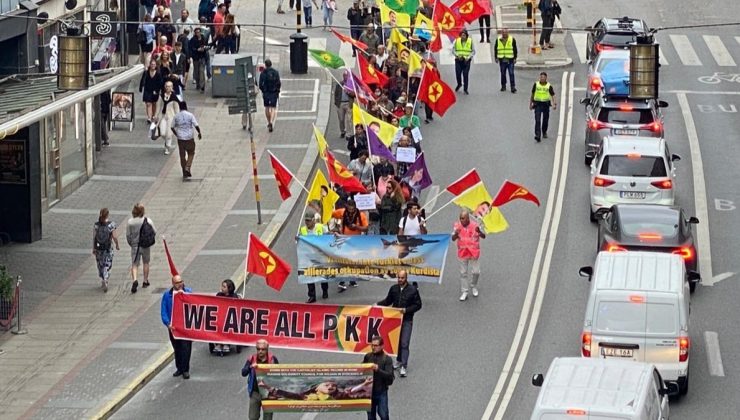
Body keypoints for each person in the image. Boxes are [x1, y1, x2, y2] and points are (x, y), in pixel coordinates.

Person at [376, 269, 421, 378]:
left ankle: (404, 366)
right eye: (399, 278)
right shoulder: (393, 289)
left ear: (406, 278)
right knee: (397, 342)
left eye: (402, 278)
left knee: (404, 342)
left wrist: (406, 310)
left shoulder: (413, 290)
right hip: (395, 320)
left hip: (407, 320)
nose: (400, 280)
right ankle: (399, 360)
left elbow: (418, 305)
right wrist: (377, 305)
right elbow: (388, 301)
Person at [331, 199, 368, 291]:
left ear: (355, 207)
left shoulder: (361, 215)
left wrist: (357, 227)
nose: (351, 211)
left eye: (353, 209)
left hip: (356, 242)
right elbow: (331, 214)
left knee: (352, 262)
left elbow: (366, 228)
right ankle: (342, 281)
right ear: (347, 207)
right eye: (349, 209)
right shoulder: (342, 212)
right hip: (344, 241)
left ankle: (352, 280)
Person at [161, 274, 193, 379]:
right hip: (174, 327)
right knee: (177, 348)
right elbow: (164, 311)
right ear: (173, 284)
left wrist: (184, 295)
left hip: (185, 327)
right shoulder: (167, 295)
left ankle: (185, 369)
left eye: (181, 282)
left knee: (186, 348)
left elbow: (194, 305)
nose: (180, 284)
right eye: (177, 283)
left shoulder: (188, 292)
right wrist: (168, 323)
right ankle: (179, 368)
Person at [452, 209, 485, 301]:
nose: (461, 220)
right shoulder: (457, 226)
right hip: (463, 252)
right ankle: (465, 291)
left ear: (468, 218)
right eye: (460, 218)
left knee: (476, 272)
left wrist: (479, 231)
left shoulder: (475, 225)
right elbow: (453, 238)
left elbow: (483, 236)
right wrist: (456, 233)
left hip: (474, 252)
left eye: (463, 218)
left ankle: (473, 285)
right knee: (463, 273)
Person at [242, 339, 278, 420]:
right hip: (255, 393)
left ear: (267, 349)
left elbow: (279, 375)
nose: (260, 351)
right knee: (252, 417)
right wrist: (250, 366)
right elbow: (243, 373)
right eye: (258, 349)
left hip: (268, 394)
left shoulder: (272, 359)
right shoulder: (252, 358)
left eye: (263, 349)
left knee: (268, 418)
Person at [298, 209, 328, 303]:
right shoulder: (303, 230)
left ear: (313, 220)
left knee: (323, 275)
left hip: (320, 256)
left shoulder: (320, 227)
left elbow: (328, 237)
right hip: (308, 257)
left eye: (309, 220)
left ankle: (325, 290)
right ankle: (312, 296)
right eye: (306, 220)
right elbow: (300, 242)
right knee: (309, 276)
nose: (307, 223)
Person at [126, 203, 157, 293]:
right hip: (145, 245)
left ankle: (135, 280)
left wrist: (131, 243)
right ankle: (145, 281)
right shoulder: (147, 220)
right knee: (146, 263)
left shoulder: (130, 222)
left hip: (135, 246)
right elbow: (154, 231)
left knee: (135, 264)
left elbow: (128, 235)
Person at [363, 336, 394, 420]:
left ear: (382, 346)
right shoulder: (368, 357)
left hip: (381, 392)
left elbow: (390, 375)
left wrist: (378, 370)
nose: (373, 347)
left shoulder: (387, 359)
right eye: (372, 345)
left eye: (376, 345)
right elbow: (362, 370)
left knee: (384, 415)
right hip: (369, 393)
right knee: (371, 417)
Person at [170, 102, 202, 178]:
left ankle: (184, 172)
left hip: (180, 138)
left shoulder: (176, 116)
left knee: (182, 156)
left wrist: (176, 134)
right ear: (186, 107)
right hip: (189, 137)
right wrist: (199, 132)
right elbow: (196, 125)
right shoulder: (190, 115)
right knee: (191, 153)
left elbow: (172, 127)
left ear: (180, 108)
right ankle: (188, 166)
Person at [93, 208, 120, 292]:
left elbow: (94, 237)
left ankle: (102, 278)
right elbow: (115, 237)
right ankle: (106, 278)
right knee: (107, 263)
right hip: (108, 248)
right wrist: (117, 244)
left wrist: (93, 248)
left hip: (99, 248)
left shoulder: (96, 225)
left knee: (100, 263)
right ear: (107, 215)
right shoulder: (111, 225)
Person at [213, 279, 239, 356]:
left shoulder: (234, 297)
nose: (222, 288)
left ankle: (226, 343)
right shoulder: (219, 295)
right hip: (220, 316)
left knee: (228, 325)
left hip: (230, 318)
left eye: (224, 287)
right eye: (222, 286)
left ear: (229, 288)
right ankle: (219, 343)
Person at [529, 71, 557, 142]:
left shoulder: (549, 86)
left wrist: (554, 104)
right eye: (541, 77)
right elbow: (532, 94)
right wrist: (530, 104)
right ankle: (538, 135)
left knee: (545, 119)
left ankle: (544, 131)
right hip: (537, 104)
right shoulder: (536, 84)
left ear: (546, 78)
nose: (542, 79)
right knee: (537, 120)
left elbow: (553, 95)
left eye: (544, 78)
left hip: (545, 104)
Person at [158, 80, 181, 154]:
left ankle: (167, 147)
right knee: (162, 133)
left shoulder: (174, 97)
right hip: (163, 116)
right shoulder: (161, 96)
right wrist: (155, 116)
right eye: (167, 86)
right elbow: (158, 107)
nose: (168, 88)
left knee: (169, 133)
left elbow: (177, 109)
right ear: (165, 87)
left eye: (170, 86)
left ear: (172, 87)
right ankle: (166, 141)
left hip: (171, 117)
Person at [259, 59, 281, 133]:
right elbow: (278, 83)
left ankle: (268, 122)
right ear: (271, 64)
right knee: (273, 108)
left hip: (266, 92)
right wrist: (277, 90)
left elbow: (260, 84)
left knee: (267, 107)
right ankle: (271, 121)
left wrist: (263, 91)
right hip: (274, 92)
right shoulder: (275, 72)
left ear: (265, 65)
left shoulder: (263, 73)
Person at [139, 60, 163, 125]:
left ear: (156, 65)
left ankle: (153, 115)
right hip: (147, 90)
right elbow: (142, 80)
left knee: (154, 103)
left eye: (154, 64)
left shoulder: (158, 73)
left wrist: (157, 90)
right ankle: (149, 118)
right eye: (152, 64)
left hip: (155, 90)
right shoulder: (146, 72)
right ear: (150, 65)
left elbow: (160, 83)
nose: (153, 66)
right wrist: (141, 88)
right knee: (148, 104)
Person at [494, 28, 518, 93]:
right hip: (502, 60)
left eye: (506, 32)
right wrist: (496, 57)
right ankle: (503, 86)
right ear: (502, 33)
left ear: (508, 33)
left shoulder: (512, 39)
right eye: (503, 32)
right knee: (503, 74)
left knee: (511, 73)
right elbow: (495, 49)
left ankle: (512, 87)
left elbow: (515, 49)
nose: (504, 34)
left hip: (510, 60)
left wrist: (515, 58)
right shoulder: (498, 39)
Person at [452, 29, 475, 94]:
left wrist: (468, 57)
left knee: (465, 74)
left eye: (464, 35)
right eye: (462, 35)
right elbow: (453, 50)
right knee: (458, 74)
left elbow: (473, 51)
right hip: (458, 60)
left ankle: (465, 88)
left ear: (466, 36)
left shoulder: (470, 41)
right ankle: (459, 84)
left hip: (466, 61)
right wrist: (457, 55)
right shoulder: (457, 41)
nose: (463, 37)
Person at [333, 71, 354, 138]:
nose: (346, 77)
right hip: (341, 103)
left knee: (349, 119)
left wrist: (348, 92)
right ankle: (342, 131)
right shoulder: (339, 84)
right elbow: (336, 94)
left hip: (348, 103)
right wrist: (336, 103)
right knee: (341, 119)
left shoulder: (351, 84)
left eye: (347, 75)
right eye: (344, 75)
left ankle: (349, 133)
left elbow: (354, 94)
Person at [188, 27, 208, 92]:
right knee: (197, 72)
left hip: (202, 57)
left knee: (202, 71)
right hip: (196, 58)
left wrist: (204, 48)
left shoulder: (203, 38)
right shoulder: (193, 40)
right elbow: (191, 49)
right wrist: (197, 50)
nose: (198, 34)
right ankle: (198, 84)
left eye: (199, 32)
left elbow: (206, 45)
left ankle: (202, 86)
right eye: (196, 33)